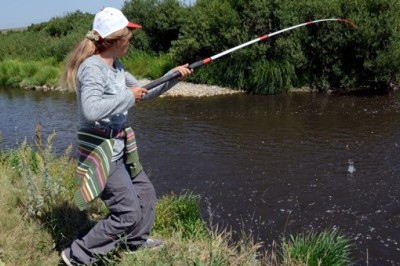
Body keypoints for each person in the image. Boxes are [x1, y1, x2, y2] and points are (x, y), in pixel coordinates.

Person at [61, 7, 192, 265]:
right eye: (128, 37)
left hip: (120, 148)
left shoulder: (117, 67)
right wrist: (127, 97)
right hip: (102, 152)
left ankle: (135, 243)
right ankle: (78, 254)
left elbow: (143, 91)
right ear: (116, 39)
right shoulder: (92, 68)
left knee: (145, 193)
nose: (130, 42)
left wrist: (172, 77)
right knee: (128, 212)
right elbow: (90, 110)